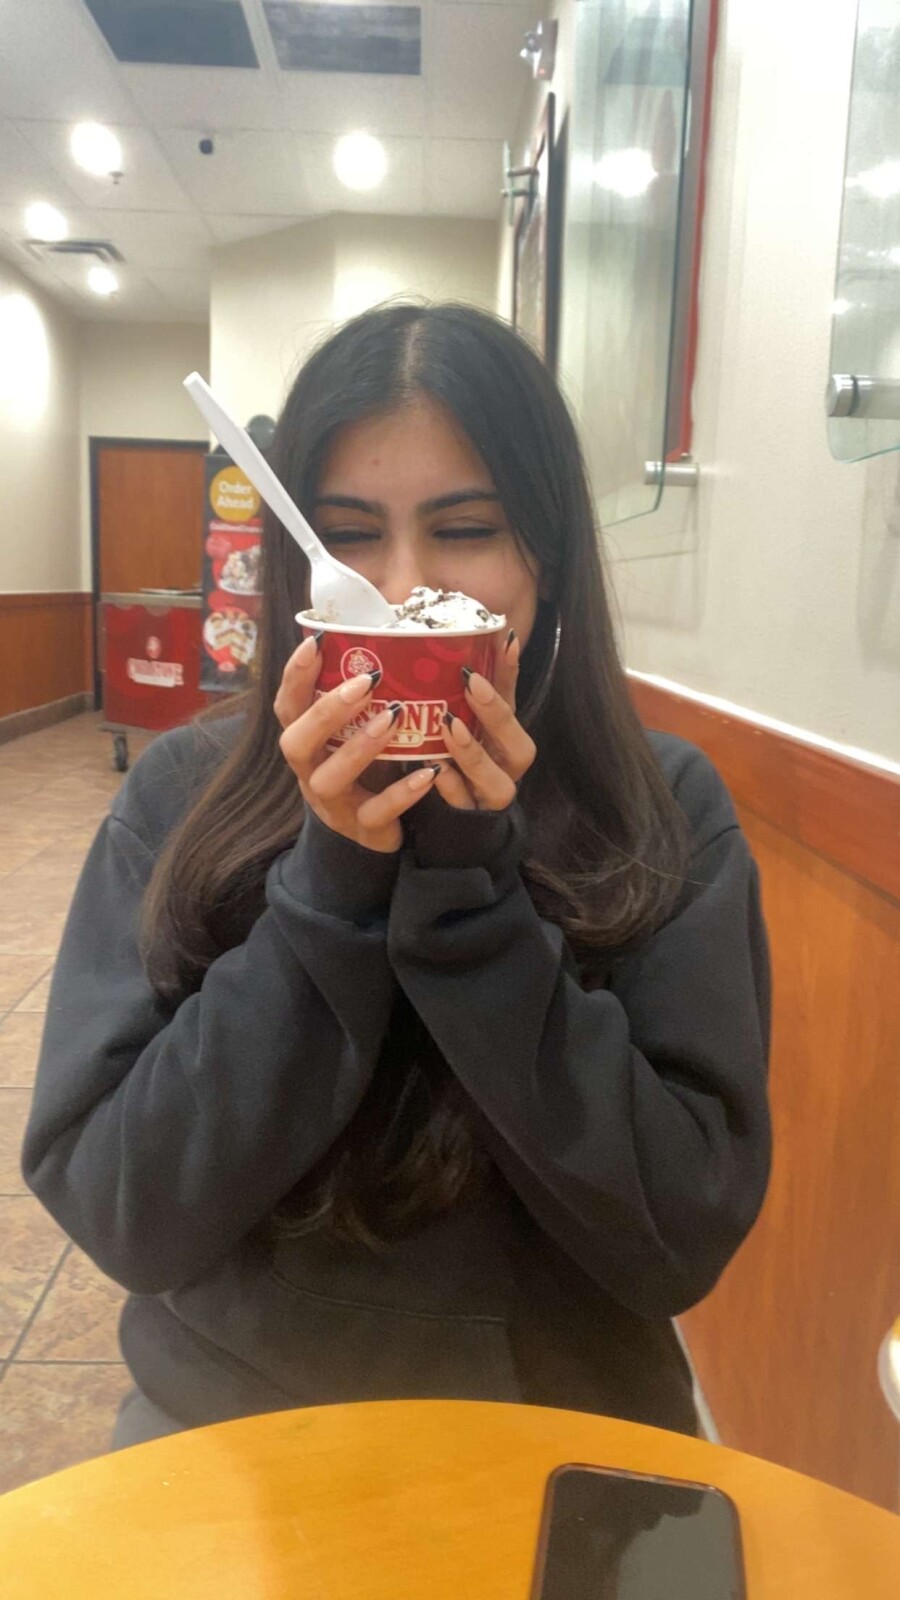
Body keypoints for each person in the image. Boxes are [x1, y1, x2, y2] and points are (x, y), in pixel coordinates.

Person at [22, 302, 771, 1449]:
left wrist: (474, 892)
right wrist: (328, 890)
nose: (402, 586)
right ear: (296, 566)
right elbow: (123, 1207)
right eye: (348, 535)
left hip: (557, 1434)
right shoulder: (182, 794)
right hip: (230, 1434)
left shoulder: (660, 810)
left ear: (548, 560)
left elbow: (679, 1234)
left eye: (464, 528)